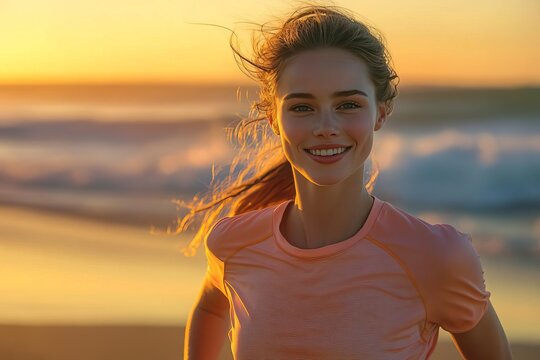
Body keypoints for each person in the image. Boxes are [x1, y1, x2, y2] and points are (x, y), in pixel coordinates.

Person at [182, 4, 512, 359]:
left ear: (380, 112)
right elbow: (211, 307)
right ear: (273, 118)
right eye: (302, 107)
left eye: (348, 105)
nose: (326, 126)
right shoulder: (235, 244)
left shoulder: (435, 257)